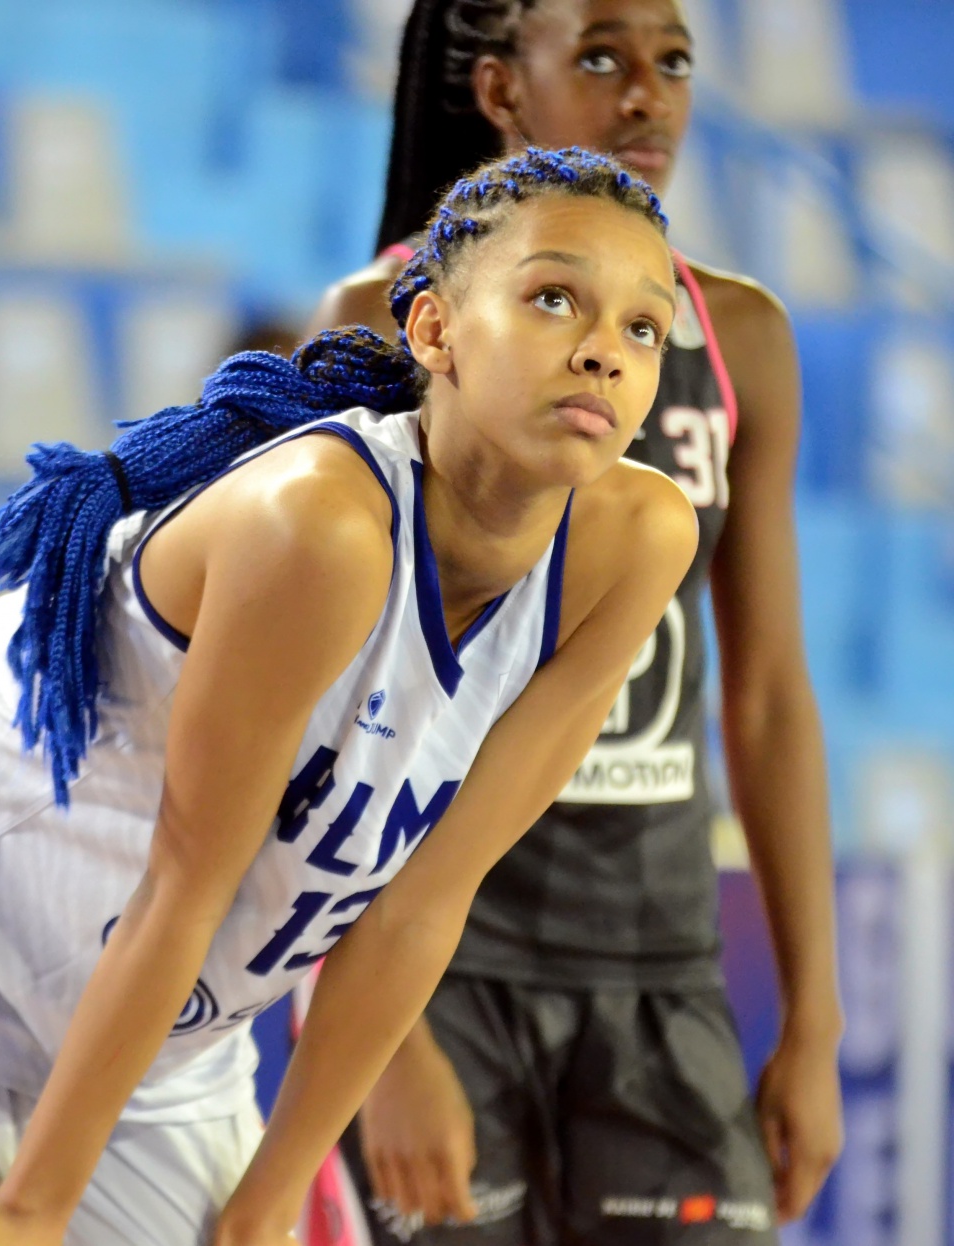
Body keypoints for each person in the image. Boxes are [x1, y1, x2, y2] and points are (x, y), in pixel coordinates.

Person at [0, 147, 697, 1246]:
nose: (603, 351)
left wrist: (266, 1203)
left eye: (644, 327)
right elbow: (184, 883)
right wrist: (32, 1207)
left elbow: (416, 906)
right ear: (434, 331)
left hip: (153, 1000)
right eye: (553, 299)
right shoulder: (320, 527)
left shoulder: (638, 542)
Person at [307, 2, 843, 1242]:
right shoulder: (384, 317)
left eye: (672, 61)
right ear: (500, 90)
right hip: (433, 964)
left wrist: (813, 1022)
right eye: (598, 57)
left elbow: (766, 695)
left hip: (661, 961)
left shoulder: (739, 339)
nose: (645, 93)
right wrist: (374, 1035)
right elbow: (320, 708)